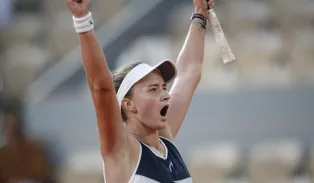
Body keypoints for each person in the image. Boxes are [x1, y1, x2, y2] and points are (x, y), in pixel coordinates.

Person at [65, 0, 214, 182]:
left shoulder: (165, 140)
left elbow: (189, 72)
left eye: (164, 88)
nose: (166, 95)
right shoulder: (122, 150)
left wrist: (200, 13)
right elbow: (102, 88)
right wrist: (82, 20)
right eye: (153, 89)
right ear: (128, 104)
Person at [0, 104, 53, 183]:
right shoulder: (3, 155)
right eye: (7, 126)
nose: (11, 131)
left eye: (14, 127)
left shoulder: (35, 150)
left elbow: (43, 175)